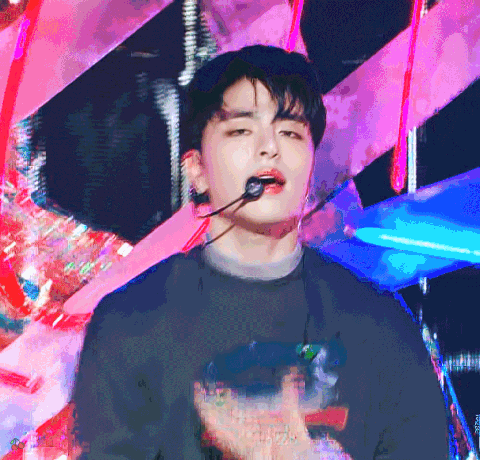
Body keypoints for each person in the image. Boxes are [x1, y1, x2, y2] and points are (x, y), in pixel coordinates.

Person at [70, 45, 449, 459]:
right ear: (196, 169)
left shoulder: (381, 325)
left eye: (290, 133)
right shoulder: (130, 323)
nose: (270, 148)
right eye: (241, 131)